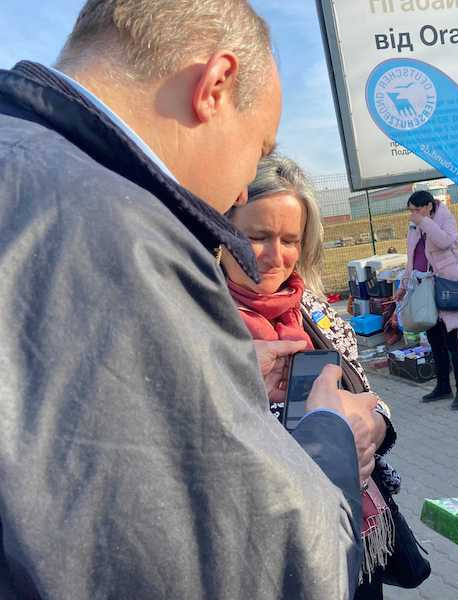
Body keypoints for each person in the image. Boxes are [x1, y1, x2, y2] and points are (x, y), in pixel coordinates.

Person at [0, 1, 377, 598]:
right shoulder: (115, 231)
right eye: (259, 144)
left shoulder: (29, 175)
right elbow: (255, 562)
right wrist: (329, 430)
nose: (241, 183)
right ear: (215, 86)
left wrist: (212, 375)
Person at [222, 155, 404, 600]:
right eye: (257, 237)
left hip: (344, 535)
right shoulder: (197, 320)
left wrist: (371, 428)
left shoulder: (318, 315)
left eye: (290, 239)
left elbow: (370, 397)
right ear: (221, 233)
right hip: (254, 551)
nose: (275, 256)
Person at [396, 190, 458, 410]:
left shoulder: (445, 219)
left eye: (416, 209)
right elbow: (411, 260)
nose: (412, 214)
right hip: (424, 289)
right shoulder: (414, 227)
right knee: (435, 342)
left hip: (447, 288)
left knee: (454, 343)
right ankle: (443, 387)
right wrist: (403, 287)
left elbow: (445, 241)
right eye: (410, 210)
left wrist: (424, 222)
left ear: (428, 206)